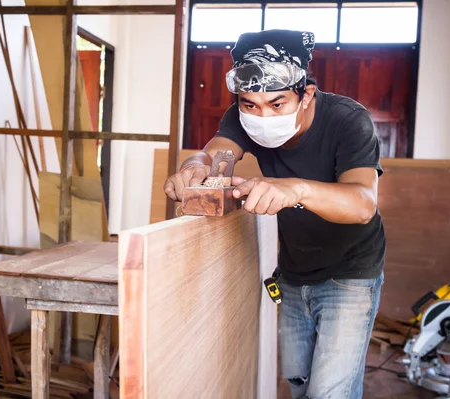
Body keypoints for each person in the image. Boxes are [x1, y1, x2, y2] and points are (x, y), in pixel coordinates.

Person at [164, 29, 385, 399]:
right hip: (295, 271)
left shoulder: (348, 120)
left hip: (352, 272)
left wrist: (294, 188)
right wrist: (194, 166)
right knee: (299, 382)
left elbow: (363, 204)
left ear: (306, 94)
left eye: (278, 104)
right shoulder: (242, 117)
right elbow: (215, 154)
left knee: (330, 393)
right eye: (250, 105)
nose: (262, 116)